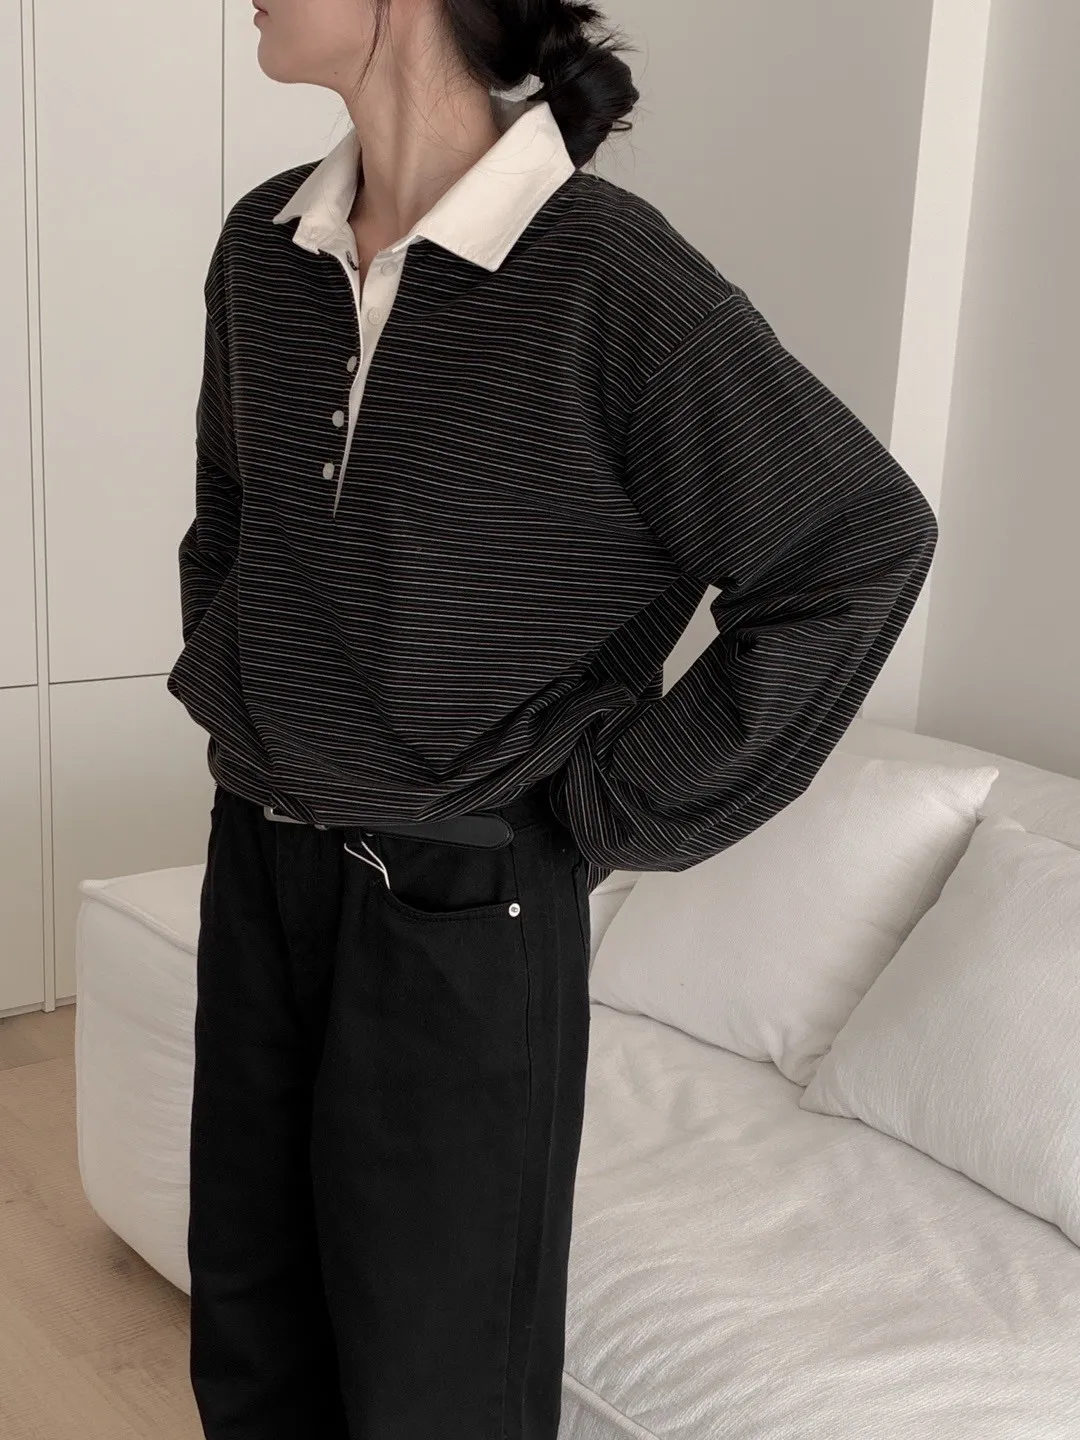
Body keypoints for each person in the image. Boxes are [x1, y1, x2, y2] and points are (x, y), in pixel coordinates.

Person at [165, 0, 939, 1436]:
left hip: (460, 909)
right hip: (259, 861)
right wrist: (247, 675)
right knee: (254, 1348)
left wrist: (614, 798)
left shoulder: (601, 274)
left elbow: (854, 543)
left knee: (435, 1389)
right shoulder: (264, 247)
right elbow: (235, 519)